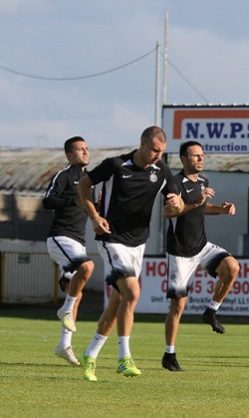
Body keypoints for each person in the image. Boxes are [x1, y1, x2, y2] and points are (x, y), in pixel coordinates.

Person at [77, 126, 184, 381]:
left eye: (162, 152)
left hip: (138, 244)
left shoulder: (162, 171)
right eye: (155, 150)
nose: (158, 155)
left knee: (118, 302)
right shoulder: (116, 165)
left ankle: (90, 354)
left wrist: (175, 205)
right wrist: (94, 216)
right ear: (143, 144)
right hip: (111, 238)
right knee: (133, 292)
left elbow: (176, 205)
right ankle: (124, 358)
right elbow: (83, 185)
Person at [162, 141, 241, 372]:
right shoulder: (174, 183)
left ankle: (211, 311)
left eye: (202, 155)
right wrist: (197, 201)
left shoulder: (204, 181)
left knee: (232, 267)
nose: (200, 159)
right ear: (184, 159)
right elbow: (170, 211)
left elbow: (202, 208)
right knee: (178, 306)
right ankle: (169, 355)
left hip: (201, 246)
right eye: (195, 156)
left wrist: (221, 210)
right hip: (180, 252)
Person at [43, 136, 95, 366]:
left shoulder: (89, 180)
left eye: (86, 148)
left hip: (78, 242)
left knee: (77, 291)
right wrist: (69, 201)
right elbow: (47, 201)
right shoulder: (64, 176)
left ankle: (64, 344)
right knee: (87, 267)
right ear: (69, 155)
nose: (85, 152)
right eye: (80, 149)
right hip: (60, 238)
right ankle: (64, 308)